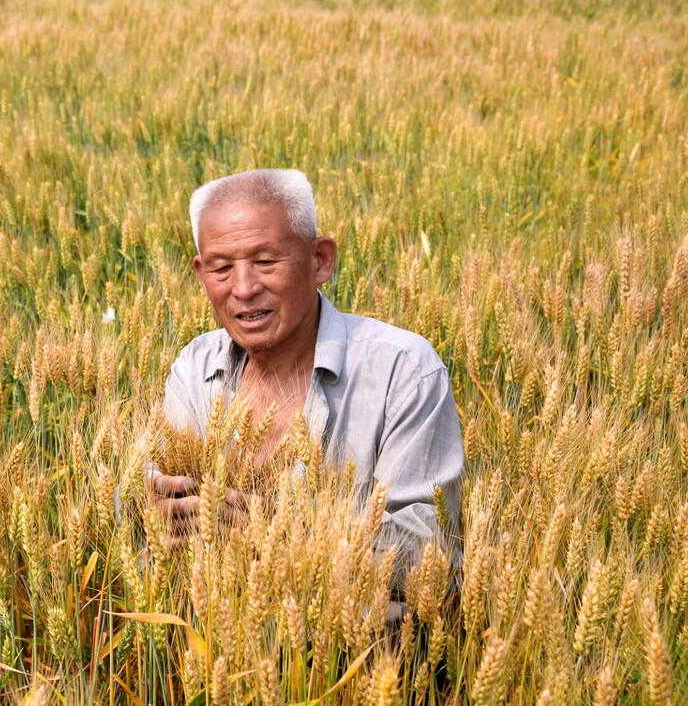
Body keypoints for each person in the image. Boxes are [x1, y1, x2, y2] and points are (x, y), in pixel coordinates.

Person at [150, 168, 463, 623]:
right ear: (201, 273)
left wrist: (279, 533)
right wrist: (152, 510)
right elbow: (157, 523)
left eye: (265, 261)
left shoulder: (403, 371)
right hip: (216, 648)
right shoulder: (194, 370)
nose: (243, 287)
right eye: (221, 267)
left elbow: (430, 559)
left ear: (320, 260)